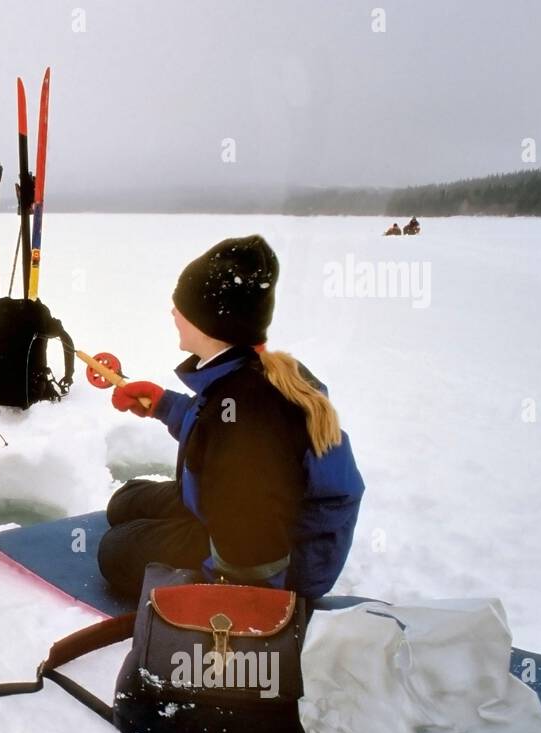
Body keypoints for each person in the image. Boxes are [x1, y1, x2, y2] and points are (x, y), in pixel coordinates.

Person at [97, 235, 364, 601]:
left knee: (115, 551)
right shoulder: (242, 372)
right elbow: (210, 419)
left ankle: (206, 548)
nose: (173, 313)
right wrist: (162, 404)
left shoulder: (248, 415)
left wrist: (234, 592)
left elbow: (255, 541)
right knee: (124, 502)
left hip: (281, 560)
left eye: (182, 308)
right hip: (230, 508)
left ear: (210, 325)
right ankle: (201, 527)